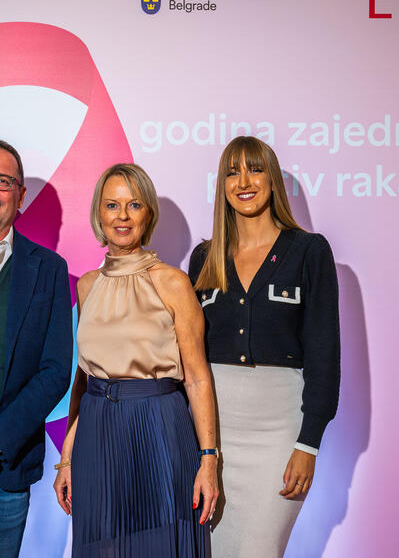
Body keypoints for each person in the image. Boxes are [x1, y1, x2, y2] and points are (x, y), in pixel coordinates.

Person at [53, 164, 218, 557]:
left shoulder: (173, 282)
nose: (122, 216)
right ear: (99, 213)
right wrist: (66, 459)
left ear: (148, 214)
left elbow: (197, 379)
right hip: (97, 433)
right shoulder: (87, 286)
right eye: (112, 205)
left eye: (134, 205)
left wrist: (209, 460)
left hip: (159, 427)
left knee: (159, 545)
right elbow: (83, 380)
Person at [188, 136, 340, 558]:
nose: (244, 182)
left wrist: (308, 444)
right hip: (213, 436)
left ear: (272, 180)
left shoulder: (309, 251)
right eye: (232, 173)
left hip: (278, 433)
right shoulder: (204, 258)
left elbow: (324, 355)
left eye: (254, 169)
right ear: (221, 186)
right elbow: (190, 356)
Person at [0, 140, 72, 558]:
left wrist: (2, 437)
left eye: (3, 181)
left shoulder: (50, 269)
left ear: (21, 195)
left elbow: (56, 369)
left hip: (7, 467)